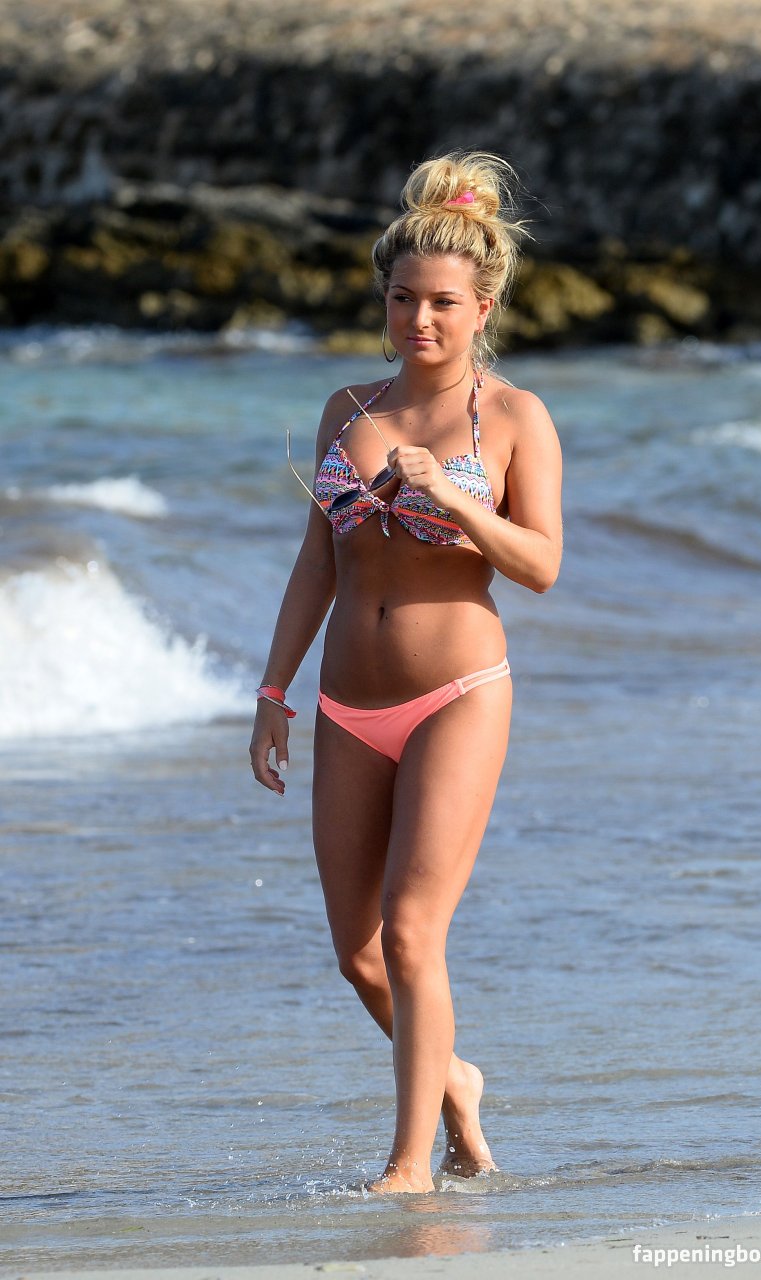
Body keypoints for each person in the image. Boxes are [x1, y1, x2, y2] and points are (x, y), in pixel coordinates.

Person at [249, 151, 563, 1195]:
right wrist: (273, 693)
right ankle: (454, 1082)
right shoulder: (347, 409)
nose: (417, 319)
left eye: (441, 303)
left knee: (416, 932)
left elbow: (540, 565)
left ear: (483, 308)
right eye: (401, 298)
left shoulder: (513, 418)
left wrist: (455, 497)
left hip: (456, 696)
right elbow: (316, 561)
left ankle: (408, 1164)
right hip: (348, 703)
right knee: (360, 954)